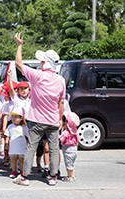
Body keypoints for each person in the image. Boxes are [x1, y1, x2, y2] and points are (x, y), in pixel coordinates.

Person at [13, 33, 65, 186]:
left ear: (45, 63)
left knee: (31, 147)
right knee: (54, 149)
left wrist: (19, 45)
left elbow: (18, 63)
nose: (40, 63)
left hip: (36, 120)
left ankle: (24, 176)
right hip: (53, 120)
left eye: (42, 61)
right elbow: (61, 102)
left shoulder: (37, 76)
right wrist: (60, 118)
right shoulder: (60, 79)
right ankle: (53, 176)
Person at [4, 107, 28, 178]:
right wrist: (6, 144)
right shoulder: (10, 126)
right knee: (13, 159)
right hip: (13, 146)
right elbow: (7, 136)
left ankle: (21, 171)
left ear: (21, 118)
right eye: (13, 116)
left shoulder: (24, 127)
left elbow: (28, 135)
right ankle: (14, 171)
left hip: (22, 147)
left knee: (21, 160)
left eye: (16, 117)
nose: (14, 118)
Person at [59, 112, 80, 182]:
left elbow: (61, 139)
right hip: (74, 149)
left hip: (68, 150)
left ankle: (70, 177)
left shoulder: (66, 132)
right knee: (72, 163)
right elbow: (77, 140)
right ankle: (73, 175)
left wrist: (57, 136)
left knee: (68, 164)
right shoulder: (75, 130)